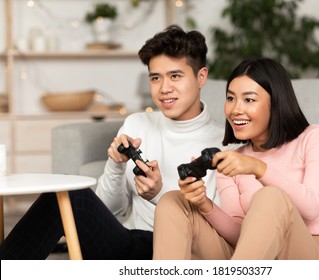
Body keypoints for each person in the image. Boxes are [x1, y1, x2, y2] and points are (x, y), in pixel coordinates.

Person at [0, 25, 224, 260]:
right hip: (132, 242)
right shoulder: (138, 124)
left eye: (175, 76)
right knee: (66, 195)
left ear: (201, 77)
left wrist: (160, 195)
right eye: (156, 78)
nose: (164, 88)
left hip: (183, 252)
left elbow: (217, 231)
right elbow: (109, 209)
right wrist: (116, 165)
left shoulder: (222, 143)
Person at [153, 58, 319, 260]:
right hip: (252, 259)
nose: (235, 110)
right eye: (231, 98)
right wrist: (203, 203)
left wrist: (258, 168)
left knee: (270, 197)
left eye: (249, 99)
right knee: (172, 202)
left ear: (276, 102)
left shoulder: (315, 137)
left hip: (308, 258)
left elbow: (311, 207)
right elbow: (238, 235)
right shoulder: (234, 160)